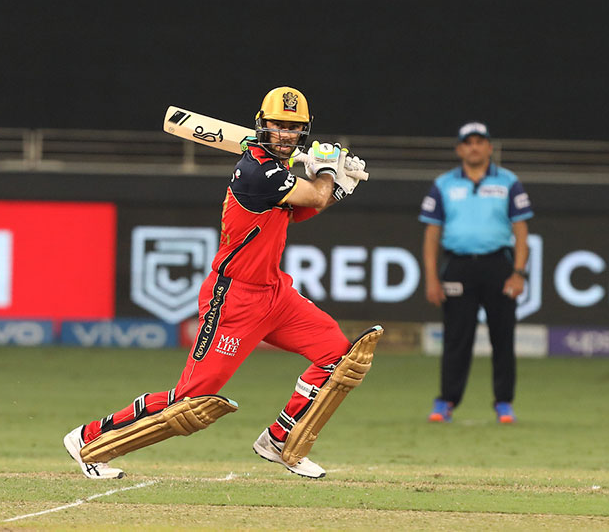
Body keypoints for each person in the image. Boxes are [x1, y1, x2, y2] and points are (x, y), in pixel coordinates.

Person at [63, 86, 379, 479]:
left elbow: (301, 209)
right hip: (234, 299)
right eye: (279, 125)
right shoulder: (258, 172)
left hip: (275, 294)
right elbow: (314, 195)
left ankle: (281, 439)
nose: (286, 134)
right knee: (191, 402)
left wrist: (337, 187)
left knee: (339, 356)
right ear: (262, 125)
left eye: (294, 128)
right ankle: (89, 439)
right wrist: (328, 171)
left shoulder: (277, 171)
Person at [419, 122, 533, 424]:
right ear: (459, 149)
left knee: (503, 336)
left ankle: (504, 403)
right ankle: (446, 400)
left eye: (479, 142)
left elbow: (522, 231)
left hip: (498, 265)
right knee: (457, 337)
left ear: (489, 147)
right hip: (458, 266)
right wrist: (431, 277)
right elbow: (432, 234)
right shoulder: (444, 184)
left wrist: (518, 273)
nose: (474, 147)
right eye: (468, 142)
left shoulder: (508, 181)